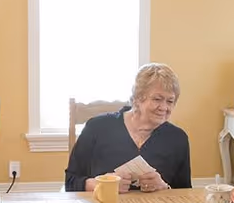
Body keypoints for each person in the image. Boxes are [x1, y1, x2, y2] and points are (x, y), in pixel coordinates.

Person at [65, 63, 192, 193]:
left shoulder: (177, 139)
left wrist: (164, 187)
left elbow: (185, 193)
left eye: (170, 101)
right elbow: (70, 182)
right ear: (137, 98)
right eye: (157, 99)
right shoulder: (97, 128)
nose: (164, 107)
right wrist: (102, 184)